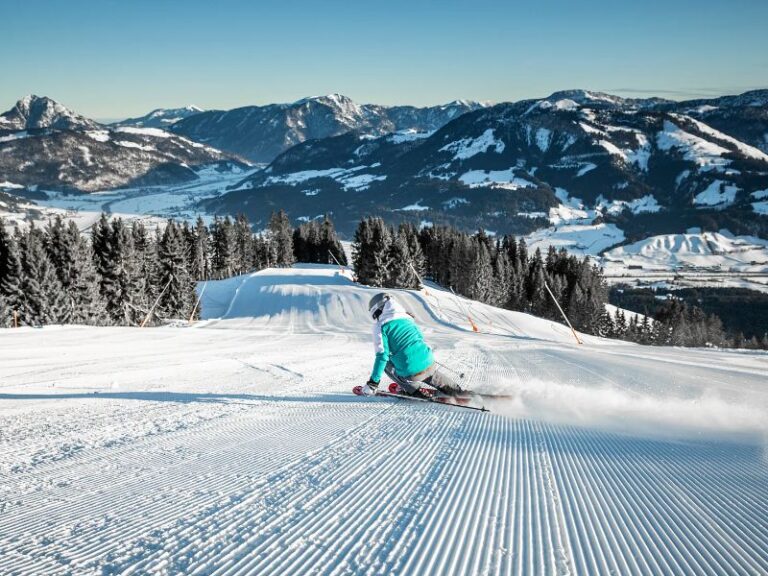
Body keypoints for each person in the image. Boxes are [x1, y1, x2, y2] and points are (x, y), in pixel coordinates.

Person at [355, 292, 463, 398]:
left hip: (411, 372)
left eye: (375, 315)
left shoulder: (381, 326)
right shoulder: (408, 318)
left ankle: (414, 390)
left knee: (388, 364)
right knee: (429, 372)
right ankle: (455, 390)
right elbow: (419, 337)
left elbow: (382, 356)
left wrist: (373, 383)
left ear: (379, 310)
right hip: (429, 362)